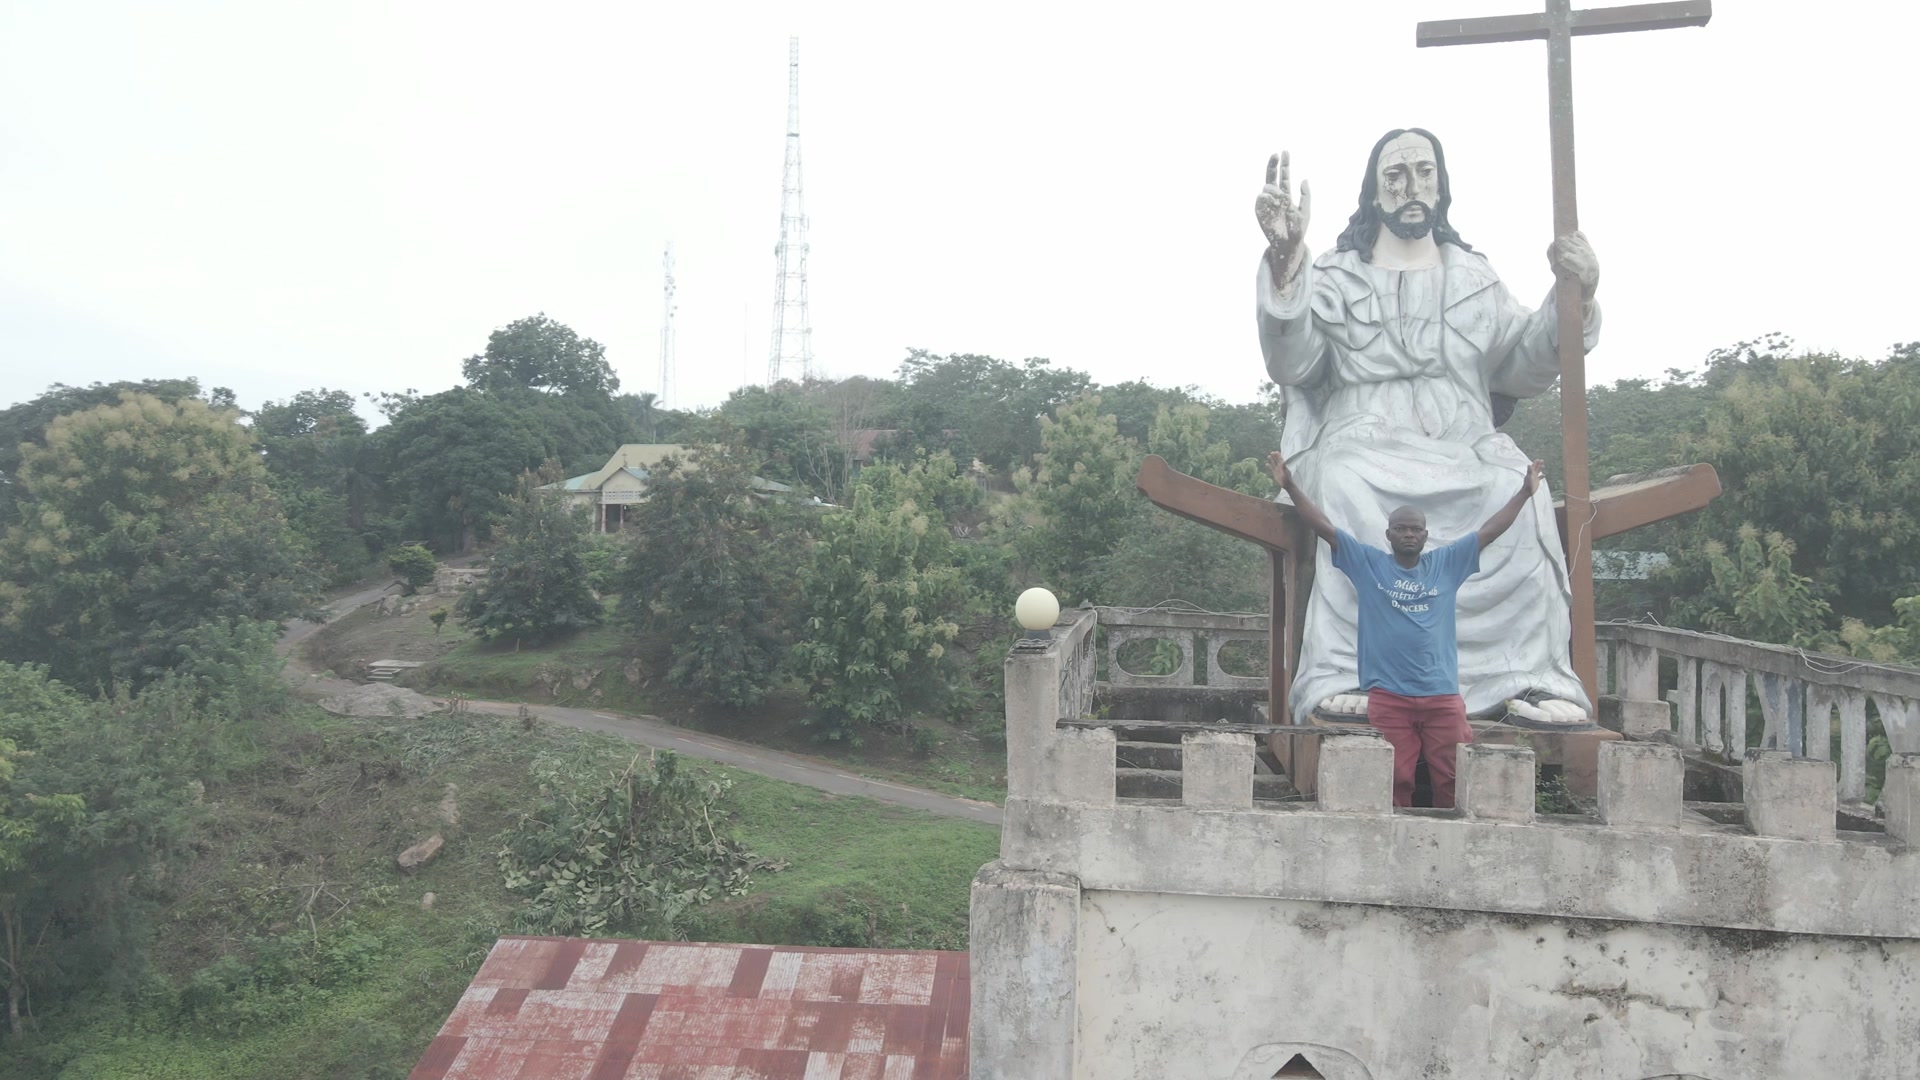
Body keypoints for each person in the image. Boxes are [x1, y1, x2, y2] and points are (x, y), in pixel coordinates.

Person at [1254, 129, 1596, 724]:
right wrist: (1287, 265)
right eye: (1395, 174)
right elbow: (1294, 362)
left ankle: (1529, 677)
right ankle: (1352, 673)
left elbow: (1526, 362)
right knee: (1342, 481)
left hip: (1462, 439)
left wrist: (1575, 294)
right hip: (1362, 436)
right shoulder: (1335, 275)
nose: (1411, 186)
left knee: (1519, 484)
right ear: (1373, 189)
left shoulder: (1474, 278)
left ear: (1442, 184)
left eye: (1423, 171)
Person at [1268, 449, 1545, 808]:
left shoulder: (1446, 563)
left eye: (1416, 529)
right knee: (1395, 776)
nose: (1409, 534)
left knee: (1454, 774)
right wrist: (1290, 485)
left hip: (1441, 694)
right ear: (1389, 534)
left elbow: (1490, 530)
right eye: (1401, 528)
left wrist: (1524, 492)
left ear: (1426, 535)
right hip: (1389, 696)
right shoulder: (1368, 563)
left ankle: (1454, 839)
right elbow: (1323, 527)